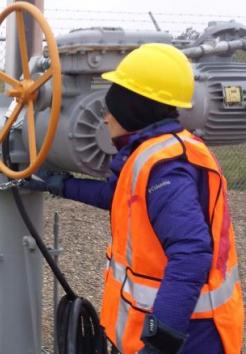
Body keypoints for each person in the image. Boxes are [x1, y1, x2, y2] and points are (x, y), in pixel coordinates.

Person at [27, 43, 243, 353]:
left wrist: (160, 340)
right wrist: (60, 185)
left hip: (192, 336)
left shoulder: (166, 168)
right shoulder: (153, 153)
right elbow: (120, 195)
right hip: (170, 329)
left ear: (132, 108)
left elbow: (191, 253)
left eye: (110, 107)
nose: (104, 118)